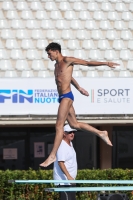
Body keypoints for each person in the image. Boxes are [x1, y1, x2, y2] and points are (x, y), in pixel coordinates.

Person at [40, 42, 119, 167]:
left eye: (49, 54)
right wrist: (79, 87)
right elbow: (68, 77)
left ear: (56, 51)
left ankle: (52, 156)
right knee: (74, 124)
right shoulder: (56, 65)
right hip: (62, 97)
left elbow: (87, 63)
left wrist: (106, 63)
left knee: (59, 126)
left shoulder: (67, 60)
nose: (49, 57)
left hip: (67, 97)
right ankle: (101, 133)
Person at [53, 124, 77, 200]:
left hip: (70, 180)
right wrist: (68, 176)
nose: (72, 134)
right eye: (70, 132)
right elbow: (60, 163)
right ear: (64, 133)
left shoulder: (70, 144)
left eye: (73, 132)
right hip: (63, 181)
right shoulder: (62, 145)